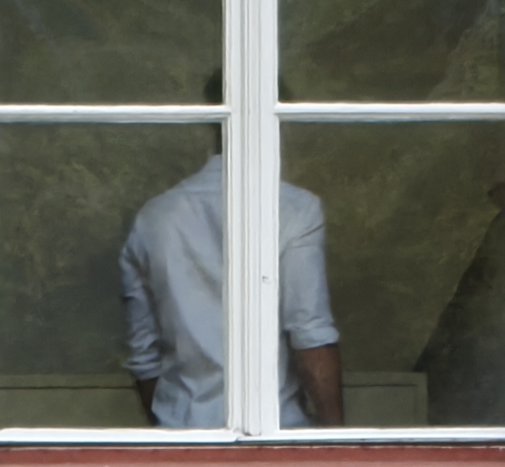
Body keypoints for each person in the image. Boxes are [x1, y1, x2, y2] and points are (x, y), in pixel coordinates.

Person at [122, 151, 344, 431]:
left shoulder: (153, 217)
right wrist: (336, 438)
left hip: (180, 432)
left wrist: (171, 424)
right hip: (275, 431)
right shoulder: (294, 207)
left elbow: (145, 356)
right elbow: (310, 333)